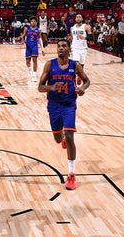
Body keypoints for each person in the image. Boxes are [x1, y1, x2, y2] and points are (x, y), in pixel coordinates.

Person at [38, 40, 90, 190]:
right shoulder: (50, 65)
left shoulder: (75, 65)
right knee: (57, 138)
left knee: (69, 135)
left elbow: (87, 81)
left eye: (64, 46)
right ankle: (61, 139)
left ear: (69, 49)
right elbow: (40, 87)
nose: (61, 48)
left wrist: (82, 88)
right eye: (59, 46)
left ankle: (71, 174)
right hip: (54, 106)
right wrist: (52, 87)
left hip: (69, 106)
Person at [16, 16, 42, 82]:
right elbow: (24, 35)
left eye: (34, 21)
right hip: (28, 47)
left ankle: (34, 75)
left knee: (34, 60)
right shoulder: (26, 29)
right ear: (30, 22)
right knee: (27, 62)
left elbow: (40, 39)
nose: (33, 22)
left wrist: (42, 49)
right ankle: (30, 69)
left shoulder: (38, 30)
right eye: (32, 21)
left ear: (36, 22)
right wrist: (20, 38)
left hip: (35, 47)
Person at [68, 13, 92, 84]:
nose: (78, 18)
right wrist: (69, 48)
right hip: (75, 48)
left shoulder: (86, 27)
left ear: (82, 19)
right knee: (76, 64)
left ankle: (79, 76)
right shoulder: (72, 28)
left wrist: (84, 38)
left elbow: (92, 38)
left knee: (81, 65)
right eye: (77, 17)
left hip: (83, 49)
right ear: (75, 19)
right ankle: (73, 79)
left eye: (80, 17)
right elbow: (72, 39)